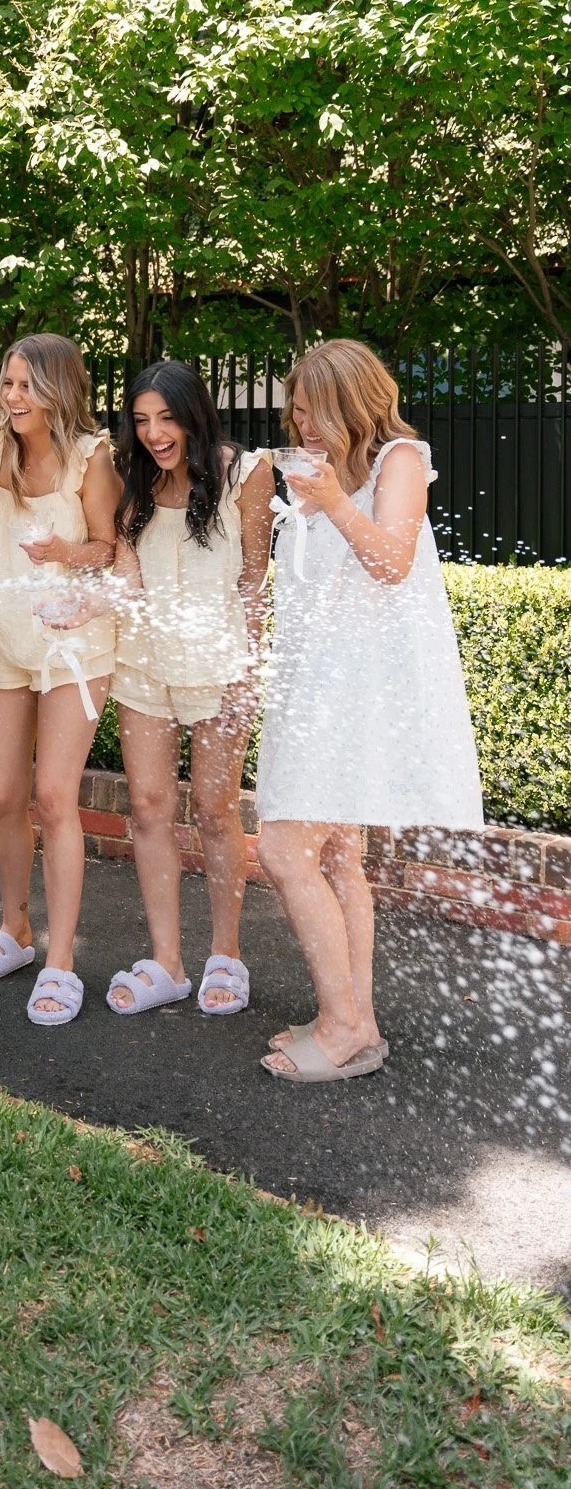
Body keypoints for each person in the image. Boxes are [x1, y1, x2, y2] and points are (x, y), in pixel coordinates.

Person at [256, 340, 483, 1083]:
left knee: (285, 851)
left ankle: (344, 1024)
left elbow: (391, 563)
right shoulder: (325, 474)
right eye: (294, 409)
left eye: (310, 408)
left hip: (353, 699)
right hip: (315, 691)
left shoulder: (399, 460)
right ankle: (358, 1023)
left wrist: (323, 503)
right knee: (335, 855)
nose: (300, 421)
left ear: (350, 404)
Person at [0, 335, 126, 1026]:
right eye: (7, 383)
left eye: (27, 385)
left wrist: (61, 551)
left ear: (59, 390)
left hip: (70, 644)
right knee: (0, 794)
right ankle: (15, 930)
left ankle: (60, 961)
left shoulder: (92, 457)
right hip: (2, 638)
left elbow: (108, 551)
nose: (13, 397)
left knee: (53, 797)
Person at [106, 361, 275, 1019]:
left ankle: (225, 955)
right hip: (143, 665)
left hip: (220, 669)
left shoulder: (245, 473)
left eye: (166, 418)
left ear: (193, 415)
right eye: (142, 420)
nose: (153, 433)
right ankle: (167, 962)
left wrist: (247, 677)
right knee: (148, 809)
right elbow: (122, 570)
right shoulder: (131, 482)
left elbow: (255, 581)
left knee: (212, 810)